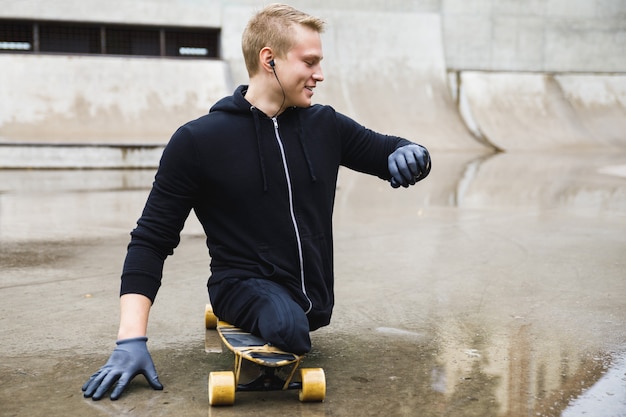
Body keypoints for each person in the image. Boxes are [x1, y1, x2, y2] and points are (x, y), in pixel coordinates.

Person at [82, 3, 431, 401]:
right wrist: (131, 339)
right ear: (270, 60)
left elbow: (387, 150)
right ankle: (265, 316)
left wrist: (413, 154)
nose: (319, 74)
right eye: (310, 62)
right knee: (288, 327)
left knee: (298, 321)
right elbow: (151, 240)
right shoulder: (199, 141)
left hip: (313, 298)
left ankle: (287, 316)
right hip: (240, 284)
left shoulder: (325, 125)